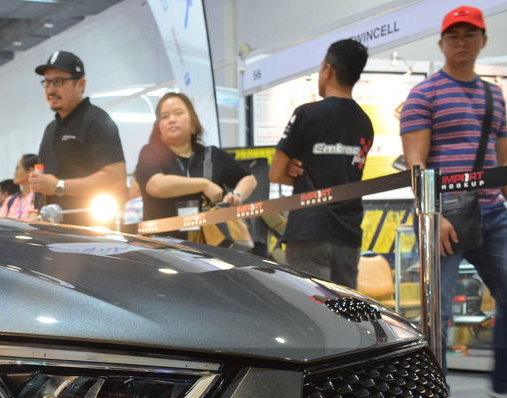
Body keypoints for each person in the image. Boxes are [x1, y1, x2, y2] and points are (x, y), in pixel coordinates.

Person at [401, 5, 507, 398]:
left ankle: (506, 388)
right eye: (454, 36)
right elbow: (415, 162)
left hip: (492, 212)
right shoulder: (424, 94)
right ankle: (437, 394)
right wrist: (433, 216)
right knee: (440, 310)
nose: (462, 43)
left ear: (483, 41)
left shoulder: (493, 95)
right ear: (441, 43)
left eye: (470, 35)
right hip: (444, 212)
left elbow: (503, 160)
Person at [270, 39, 374, 288]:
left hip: (308, 230)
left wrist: (293, 173)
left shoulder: (307, 114)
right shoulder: (364, 122)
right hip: (348, 233)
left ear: (328, 69)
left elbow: (275, 174)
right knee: (349, 314)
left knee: (313, 315)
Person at [134, 92, 255, 241]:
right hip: (162, 246)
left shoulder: (212, 155)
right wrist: (204, 184)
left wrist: (237, 195)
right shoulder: (150, 152)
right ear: (158, 126)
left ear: (193, 123)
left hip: (212, 247)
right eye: (164, 116)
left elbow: (249, 179)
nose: (171, 120)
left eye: (178, 113)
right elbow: (156, 185)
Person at [28, 51, 126, 226]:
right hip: (52, 231)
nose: (50, 90)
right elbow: (43, 177)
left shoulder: (98, 121)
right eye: (47, 82)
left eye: (58, 82)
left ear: (80, 84)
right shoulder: (50, 129)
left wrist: (59, 187)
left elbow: (115, 179)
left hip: (92, 233)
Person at [0, 154, 38, 221]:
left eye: (17, 168)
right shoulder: (10, 200)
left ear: (30, 171)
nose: (15, 173)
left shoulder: (39, 199)